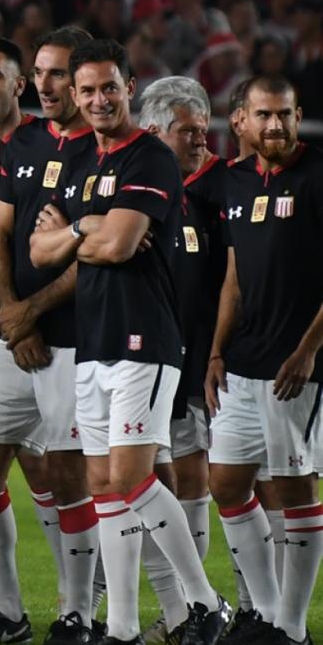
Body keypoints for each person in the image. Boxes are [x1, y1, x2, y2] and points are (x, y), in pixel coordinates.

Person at [29, 39, 230, 645]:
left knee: (133, 479)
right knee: (103, 487)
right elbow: (41, 254)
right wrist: (88, 227)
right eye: (86, 90)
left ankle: (204, 601)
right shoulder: (87, 166)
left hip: (145, 338)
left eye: (108, 88)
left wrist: (77, 232)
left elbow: (117, 248)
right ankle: (119, 628)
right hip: (94, 339)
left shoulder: (150, 158)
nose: (97, 99)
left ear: (128, 88)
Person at [0, 27, 100, 645]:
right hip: (13, 337)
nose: (44, 84)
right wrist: (12, 316)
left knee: (67, 477)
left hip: (73, 338)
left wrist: (30, 314)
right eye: (39, 72)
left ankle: (80, 614)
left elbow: (93, 252)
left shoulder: (104, 152)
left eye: (58, 73)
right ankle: (8, 613)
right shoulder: (22, 144)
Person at [206, 75, 323, 645]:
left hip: (294, 367)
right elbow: (233, 277)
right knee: (226, 483)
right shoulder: (234, 181)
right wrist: (215, 351)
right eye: (264, 115)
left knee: (295, 487)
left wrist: (309, 350)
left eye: (285, 114)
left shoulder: (318, 174)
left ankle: (292, 628)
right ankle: (271, 613)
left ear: (299, 116)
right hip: (242, 361)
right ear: (241, 122)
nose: (275, 125)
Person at [139, 76, 223, 642]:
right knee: (144, 476)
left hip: (206, 353)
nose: (198, 141)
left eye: (202, 130)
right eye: (185, 132)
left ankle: (207, 609)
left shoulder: (222, 187)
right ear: (153, 131)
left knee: (194, 474)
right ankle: (185, 609)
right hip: (145, 347)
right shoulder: (140, 184)